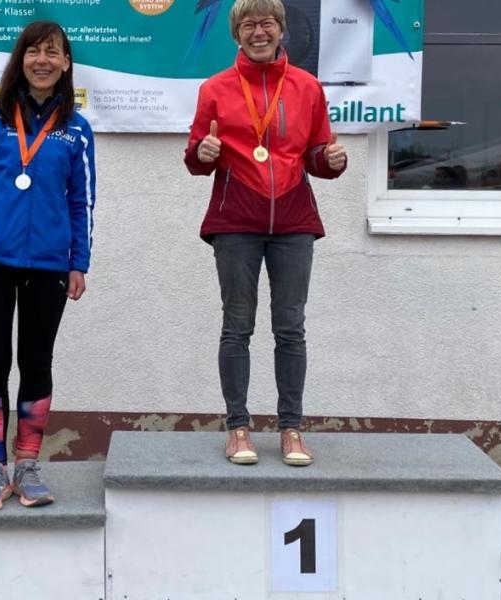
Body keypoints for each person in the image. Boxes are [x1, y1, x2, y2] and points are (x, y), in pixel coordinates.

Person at [184, 0, 346, 467]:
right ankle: (238, 428)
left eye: (267, 23)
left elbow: (316, 153)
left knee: (290, 328)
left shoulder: (307, 87)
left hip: (293, 223)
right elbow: (196, 157)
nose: (259, 32)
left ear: (281, 29)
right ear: (236, 33)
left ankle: (291, 429)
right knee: (237, 327)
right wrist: (202, 153)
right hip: (235, 222)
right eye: (249, 24)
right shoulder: (215, 88)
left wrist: (330, 161)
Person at [0, 21, 96, 510]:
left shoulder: (77, 130)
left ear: (66, 63)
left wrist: (79, 262)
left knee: (37, 363)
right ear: (21, 60)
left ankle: (28, 464)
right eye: (33, 51)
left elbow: (81, 201)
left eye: (52, 52)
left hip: (50, 264)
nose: (42, 61)